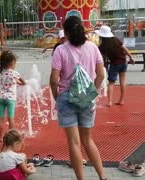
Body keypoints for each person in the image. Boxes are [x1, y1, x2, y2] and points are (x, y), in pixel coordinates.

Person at [49, 16, 107, 180]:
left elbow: (54, 80)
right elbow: (101, 74)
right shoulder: (93, 48)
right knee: (88, 140)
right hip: (87, 98)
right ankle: (102, 176)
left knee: (74, 143)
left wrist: (57, 97)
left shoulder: (61, 50)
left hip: (67, 97)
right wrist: (92, 92)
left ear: (65, 32)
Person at [96, 25, 135, 106]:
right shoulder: (116, 40)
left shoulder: (102, 46)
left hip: (115, 64)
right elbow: (124, 48)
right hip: (124, 62)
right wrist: (131, 57)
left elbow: (97, 54)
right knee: (123, 81)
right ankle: (121, 100)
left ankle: (110, 102)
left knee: (111, 83)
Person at [0, 50, 25, 141]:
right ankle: (12, 137)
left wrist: (17, 82)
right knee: (10, 118)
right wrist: (23, 83)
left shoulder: (2, 72)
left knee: (1, 118)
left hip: (1, 98)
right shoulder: (14, 73)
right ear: (12, 63)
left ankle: (1, 137)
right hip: (10, 99)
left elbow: (11, 80)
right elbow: (23, 81)